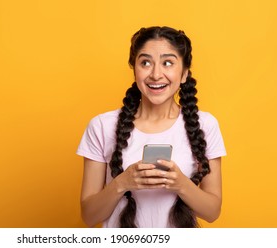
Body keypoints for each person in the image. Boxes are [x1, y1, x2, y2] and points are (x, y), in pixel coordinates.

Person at [76, 26, 226, 228]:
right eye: (145, 62)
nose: (156, 74)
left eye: (168, 63)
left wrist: (180, 184)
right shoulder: (102, 126)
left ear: (184, 74)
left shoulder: (206, 125)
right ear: (134, 69)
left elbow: (212, 212)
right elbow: (89, 216)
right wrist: (122, 183)